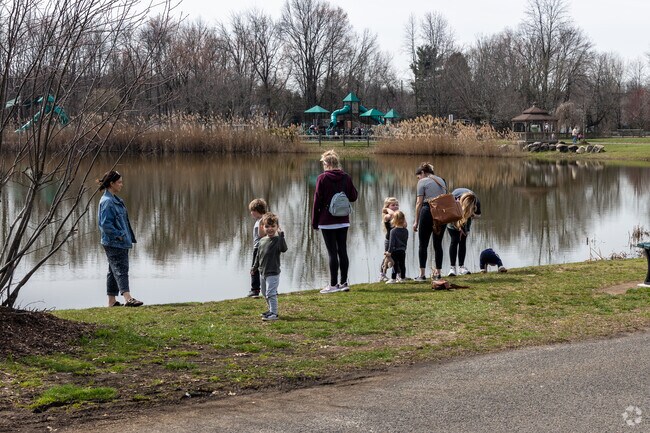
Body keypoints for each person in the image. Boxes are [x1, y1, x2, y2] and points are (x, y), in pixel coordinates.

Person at [312, 149, 358, 294]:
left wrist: (315, 222)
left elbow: (317, 201)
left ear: (326, 163)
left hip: (327, 220)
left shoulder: (322, 178)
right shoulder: (346, 177)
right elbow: (354, 196)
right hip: (343, 220)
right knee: (342, 250)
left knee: (332, 252)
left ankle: (333, 285)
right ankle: (344, 283)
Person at [97, 170, 143, 307]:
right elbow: (105, 225)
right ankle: (128, 298)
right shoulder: (107, 202)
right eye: (119, 182)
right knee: (121, 269)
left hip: (120, 242)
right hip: (114, 243)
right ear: (111, 184)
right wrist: (120, 236)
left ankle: (111, 301)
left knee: (113, 271)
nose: (122, 185)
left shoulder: (115, 200)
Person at [413, 162, 448, 281]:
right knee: (438, 244)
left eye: (418, 176)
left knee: (423, 244)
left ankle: (422, 274)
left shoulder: (422, 182)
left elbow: (419, 203)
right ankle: (438, 273)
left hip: (428, 211)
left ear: (422, 173)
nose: (419, 179)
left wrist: (416, 221)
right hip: (442, 213)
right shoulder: (442, 180)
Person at [251, 213, 287, 321]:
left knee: (270, 293)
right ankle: (270, 310)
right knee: (264, 293)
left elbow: (283, 249)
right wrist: (254, 267)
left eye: (273, 226)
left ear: (277, 227)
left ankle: (274, 314)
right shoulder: (262, 241)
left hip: (273, 272)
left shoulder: (277, 240)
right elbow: (258, 255)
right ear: (262, 227)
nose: (270, 229)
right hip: (263, 272)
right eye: (267, 226)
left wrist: (281, 236)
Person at [447, 188, 481, 276]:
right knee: (454, 240)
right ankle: (452, 268)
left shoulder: (475, 201)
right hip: (452, 215)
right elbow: (450, 217)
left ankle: (461, 267)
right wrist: (459, 228)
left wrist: (472, 214)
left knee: (463, 240)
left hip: (467, 217)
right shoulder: (453, 199)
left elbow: (479, 215)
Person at [247, 198, 268, 298]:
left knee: (254, 269)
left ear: (256, 211)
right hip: (259, 247)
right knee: (260, 268)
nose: (251, 213)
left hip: (259, 248)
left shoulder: (263, 221)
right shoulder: (261, 220)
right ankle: (263, 289)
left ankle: (255, 290)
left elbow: (263, 235)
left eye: (252, 211)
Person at [379, 197, 399, 282]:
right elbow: (391, 215)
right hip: (389, 240)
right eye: (393, 205)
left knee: (397, 257)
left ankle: (399, 274)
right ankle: (382, 274)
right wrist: (386, 209)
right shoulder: (387, 216)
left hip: (397, 240)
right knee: (387, 257)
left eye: (397, 205)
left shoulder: (398, 215)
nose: (395, 206)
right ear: (388, 207)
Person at [385, 211, 408, 284]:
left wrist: (389, 252)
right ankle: (403, 278)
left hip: (395, 251)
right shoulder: (406, 231)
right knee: (402, 264)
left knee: (395, 264)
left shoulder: (393, 231)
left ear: (394, 220)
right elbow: (405, 241)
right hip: (402, 250)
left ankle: (393, 278)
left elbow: (391, 243)